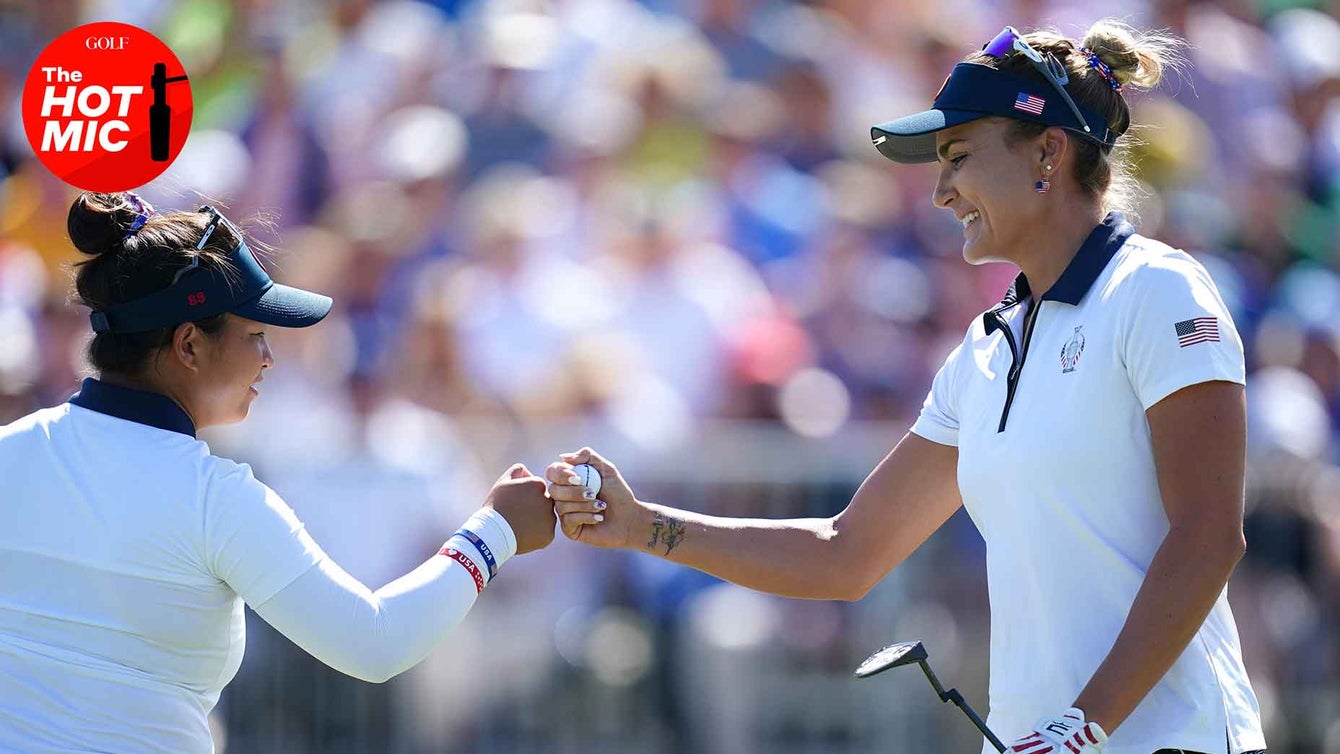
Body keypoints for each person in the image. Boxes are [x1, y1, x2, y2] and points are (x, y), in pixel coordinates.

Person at [546, 20, 1267, 754]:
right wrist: (641, 527)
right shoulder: (984, 350)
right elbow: (845, 551)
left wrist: (1083, 725)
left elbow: (1209, 535)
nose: (942, 192)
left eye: (958, 158)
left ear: (1048, 150)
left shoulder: (1159, 290)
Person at [0, 193, 556, 753]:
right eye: (254, 335)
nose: (269, 357)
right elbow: (375, 642)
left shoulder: (9, 452)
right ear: (189, 344)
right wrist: (495, 532)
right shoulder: (217, 499)